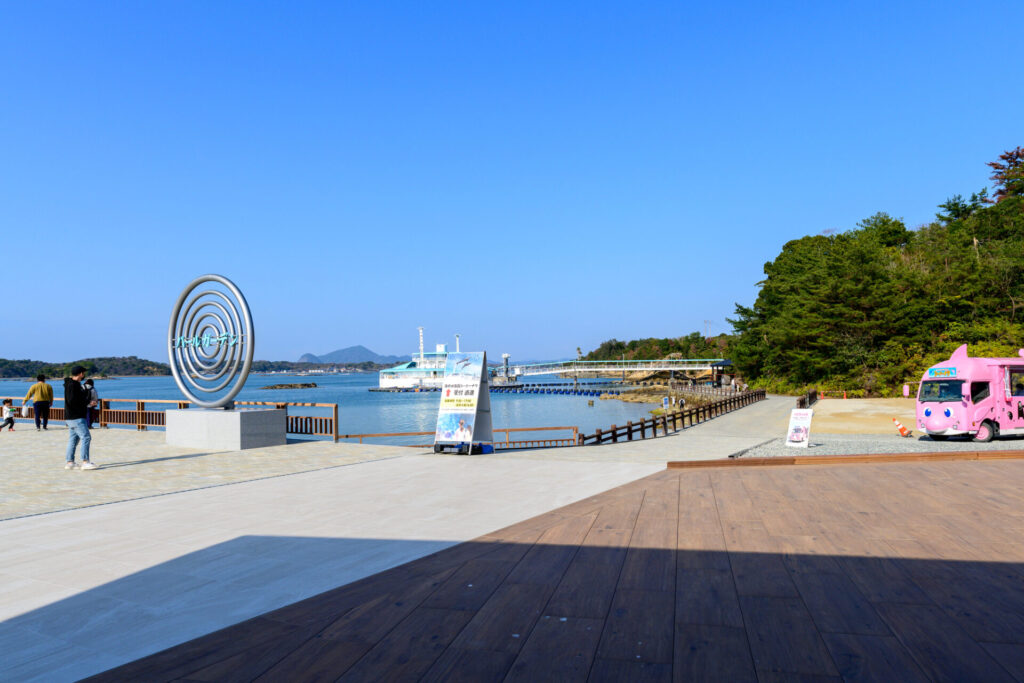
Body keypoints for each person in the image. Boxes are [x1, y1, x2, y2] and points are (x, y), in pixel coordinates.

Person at [64, 366, 98, 470]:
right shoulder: (73, 385)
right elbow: (73, 400)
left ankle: (70, 462)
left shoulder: (70, 384)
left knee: (73, 439)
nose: (84, 375)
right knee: (86, 437)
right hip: (76, 417)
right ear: (80, 374)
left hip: (70, 417)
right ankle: (85, 461)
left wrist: (86, 401)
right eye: (83, 373)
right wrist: (88, 402)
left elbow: (74, 400)